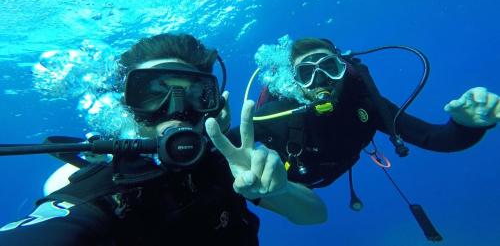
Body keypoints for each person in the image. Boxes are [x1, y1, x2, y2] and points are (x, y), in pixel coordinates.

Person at [0, 34, 326, 246]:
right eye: (152, 93)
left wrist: (281, 190)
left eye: (196, 94)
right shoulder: (102, 192)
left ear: (215, 105)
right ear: (127, 107)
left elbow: (314, 215)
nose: (175, 109)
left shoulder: (228, 166)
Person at [225, 37, 499, 236]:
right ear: (294, 81)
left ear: (344, 68)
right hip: (288, 188)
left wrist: (467, 126)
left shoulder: (366, 105)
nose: (321, 80)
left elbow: (437, 138)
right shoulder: (275, 115)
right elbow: (224, 150)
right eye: (307, 73)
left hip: (326, 175)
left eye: (329, 67)